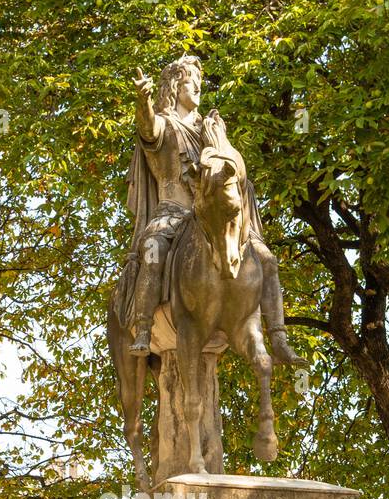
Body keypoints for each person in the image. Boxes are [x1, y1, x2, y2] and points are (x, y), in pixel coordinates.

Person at [121, 54, 298, 367]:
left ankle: (279, 337)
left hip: (211, 213)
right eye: (192, 82)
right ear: (175, 86)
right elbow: (147, 128)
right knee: (151, 249)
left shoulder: (209, 128)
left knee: (266, 258)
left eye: (200, 83)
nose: (198, 88)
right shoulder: (164, 124)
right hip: (172, 212)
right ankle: (144, 328)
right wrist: (142, 99)